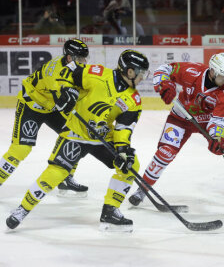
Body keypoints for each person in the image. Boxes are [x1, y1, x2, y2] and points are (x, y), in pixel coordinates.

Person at [6, 49, 150, 232]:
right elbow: (67, 71)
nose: (143, 77)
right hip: (75, 132)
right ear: (130, 71)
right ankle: (22, 209)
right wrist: (66, 91)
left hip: (102, 137)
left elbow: (123, 129)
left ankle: (110, 210)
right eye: (141, 73)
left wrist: (122, 150)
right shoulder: (97, 74)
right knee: (56, 171)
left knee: (130, 165)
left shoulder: (134, 100)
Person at [128, 52, 224, 207]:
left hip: (208, 121)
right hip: (180, 118)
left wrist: (216, 138)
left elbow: (219, 120)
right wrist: (164, 84)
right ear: (213, 72)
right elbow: (163, 69)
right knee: (165, 153)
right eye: (222, 76)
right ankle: (142, 190)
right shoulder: (192, 71)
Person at [0, 39, 89, 197]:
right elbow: (63, 101)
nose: (84, 62)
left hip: (51, 107)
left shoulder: (74, 67)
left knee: (76, 136)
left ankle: (65, 177)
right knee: (21, 149)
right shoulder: (55, 73)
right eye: (80, 59)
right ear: (69, 57)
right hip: (32, 105)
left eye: (84, 58)